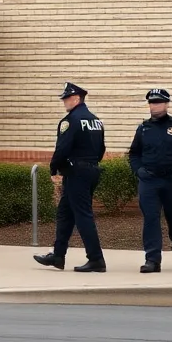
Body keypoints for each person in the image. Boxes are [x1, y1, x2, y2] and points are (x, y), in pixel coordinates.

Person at [34, 82, 107, 273]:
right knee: (65, 214)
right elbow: (101, 149)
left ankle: (96, 259)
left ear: (76, 99)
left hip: (76, 173)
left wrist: (53, 168)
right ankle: (58, 255)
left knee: (83, 215)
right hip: (91, 170)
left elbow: (62, 148)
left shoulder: (71, 120)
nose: (64, 102)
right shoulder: (96, 120)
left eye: (67, 98)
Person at [128, 88, 172, 273]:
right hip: (150, 180)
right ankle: (152, 260)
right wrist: (139, 171)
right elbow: (134, 154)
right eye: (152, 102)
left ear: (166, 104)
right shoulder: (143, 129)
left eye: (158, 102)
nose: (154, 106)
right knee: (151, 219)